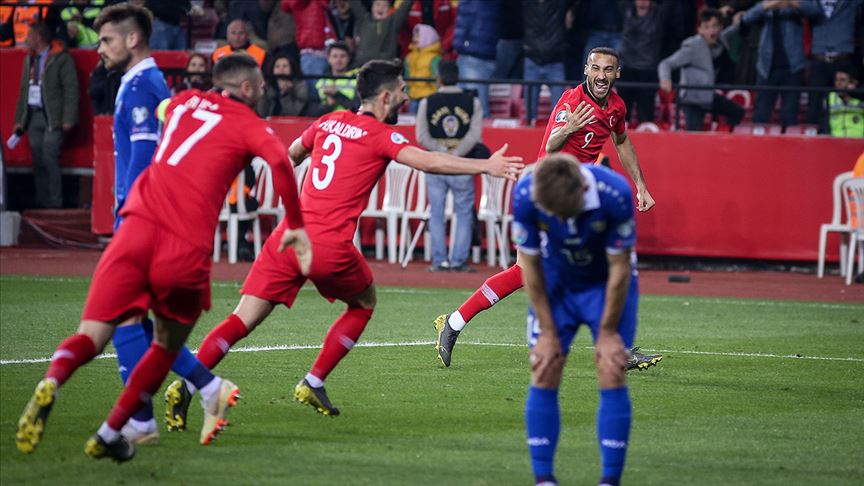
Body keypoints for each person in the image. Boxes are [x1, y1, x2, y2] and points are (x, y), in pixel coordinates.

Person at [161, 59, 523, 424]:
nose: (405, 96)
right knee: (364, 303)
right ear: (384, 97)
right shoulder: (381, 135)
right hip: (328, 245)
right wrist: (484, 166)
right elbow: (428, 161)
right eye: (401, 91)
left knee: (243, 318)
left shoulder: (326, 121)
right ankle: (313, 380)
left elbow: (291, 156)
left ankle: (187, 387)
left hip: (288, 236)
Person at [16, 53, 310, 462]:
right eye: (260, 85)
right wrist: (295, 223)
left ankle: (55, 379)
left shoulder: (182, 101)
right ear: (247, 89)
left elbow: (163, 108)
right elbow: (279, 159)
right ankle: (119, 424)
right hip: (183, 246)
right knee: (166, 343)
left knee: (92, 335)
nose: (263, 90)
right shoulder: (248, 123)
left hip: (134, 227)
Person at [433, 47, 660, 372]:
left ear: (616, 74)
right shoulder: (571, 100)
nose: (600, 75)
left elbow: (621, 141)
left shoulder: (616, 107)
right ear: (586, 69)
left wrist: (640, 184)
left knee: (527, 273)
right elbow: (551, 144)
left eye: (608, 70)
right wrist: (569, 128)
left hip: (574, 200)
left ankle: (453, 323)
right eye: (595, 68)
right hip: (547, 194)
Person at [96, 2, 228, 445]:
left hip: (141, 219)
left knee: (124, 317)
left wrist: (128, 216)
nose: (100, 49)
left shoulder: (142, 85)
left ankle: (142, 419)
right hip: (151, 219)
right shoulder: (143, 82)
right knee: (144, 320)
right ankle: (209, 387)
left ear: (133, 39)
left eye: (107, 39)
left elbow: (142, 159)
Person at [517, 153, 637, 486]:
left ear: (583, 189)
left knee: (611, 366)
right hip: (557, 284)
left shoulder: (616, 194)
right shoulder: (526, 194)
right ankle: (544, 479)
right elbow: (530, 266)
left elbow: (619, 268)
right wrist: (548, 332)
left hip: (603, 284)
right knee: (544, 365)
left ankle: (609, 481)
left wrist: (609, 331)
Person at [416, 59, 485, 272]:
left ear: (440, 79)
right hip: (462, 164)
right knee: (463, 213)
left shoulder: (427, 101)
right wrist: (456, 153)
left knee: (436, 213)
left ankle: (439, 261)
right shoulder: (472, 101)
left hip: (435, 164)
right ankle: (458, 261)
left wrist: (441, 151)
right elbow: (474, 135)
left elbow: (421, 135)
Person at [12, 22, 78, 210]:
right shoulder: (29, 60)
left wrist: (68, 117)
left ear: (39, 37)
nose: (26, 40)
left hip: (53, 116)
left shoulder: (61, 59)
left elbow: (71, 89)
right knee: (38, 160)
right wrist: (19, 120)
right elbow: (24, 90)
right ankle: (41, 202)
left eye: (29, 36)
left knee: (49, 157)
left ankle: (55, 203)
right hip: (34, 116)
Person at [657, 7, 744, 131]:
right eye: (707, 27)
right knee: (693, 136)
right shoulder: (692, 46)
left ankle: (724, 136)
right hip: (692, 98)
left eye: (715, 26)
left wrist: (737, 23)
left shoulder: (720, 40)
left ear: (720, 28)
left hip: (708, 95)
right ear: (700, 30)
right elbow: (665, 64)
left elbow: (729, 32)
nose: (711, 31)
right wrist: (665, 79)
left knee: (737, 112)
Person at [740, 0, 821, 130]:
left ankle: (790, 148)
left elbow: (814, 11)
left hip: (793, 67)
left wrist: (791, 3)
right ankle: (758, 147)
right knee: (761, 114)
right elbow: (747, 18)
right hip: (766, 67)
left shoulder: (795, 6)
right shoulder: (766, 5)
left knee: (789, 115)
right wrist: (770, 5)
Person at [522, 0, 569, 127]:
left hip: (555, 60)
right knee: (528, 114)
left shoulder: (558, 4)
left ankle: (558, 140)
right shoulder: (527, 4)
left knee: (559, 112)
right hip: (532, 59)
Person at [350, 0, 412, 67]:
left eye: (384, 5)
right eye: (377, 4)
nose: (380, 8)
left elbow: (405, 7)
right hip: (361, 67)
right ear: (372, 7)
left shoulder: (393, 22)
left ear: (389, 9)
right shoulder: (364, 19)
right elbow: (355, 3)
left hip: (384, 68)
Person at [404, 23, 443, 113]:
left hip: (429, 98)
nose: (414, 39)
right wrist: (406, 94)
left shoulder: (435, 59)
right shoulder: (409, 57)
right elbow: (407, 78)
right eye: (414, 36)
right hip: (413, 98)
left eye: (418, 36)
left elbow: (438, 80)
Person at [257, 52, 310, 117]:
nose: (281, 69)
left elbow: (293, 114)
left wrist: (285, 94)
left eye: (285, 66)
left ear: (291, 69)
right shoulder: (268, 86)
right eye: (277, 66)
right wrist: (263, 93)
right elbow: (262, 113)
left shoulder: (300, 86)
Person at [314, 41, 358, 113]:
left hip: (349, 122)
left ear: (349, 58)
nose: (338, 60)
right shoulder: (321, 82)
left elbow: (357, 108)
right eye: (335, 56)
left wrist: (336, 95)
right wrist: (329, 105)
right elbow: (312, 111)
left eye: (343, 56)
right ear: (328, 59)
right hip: (327, 122)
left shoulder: (356, 79)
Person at [827, 67, 863, 138]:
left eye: (842, 80)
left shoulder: (861, 99)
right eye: (836, 80)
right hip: (835, 141)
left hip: (859, 142)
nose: (838, 83)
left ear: (852, 83)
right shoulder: (829, 98)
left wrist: (852, 93)